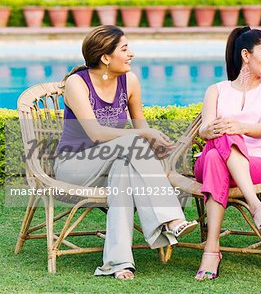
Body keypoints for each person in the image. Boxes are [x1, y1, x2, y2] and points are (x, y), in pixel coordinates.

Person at [53, 25, 197, 280]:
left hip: (113, 165)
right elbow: (96, 133)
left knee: (124, 173)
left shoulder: (130, 81)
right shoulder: (78, 83)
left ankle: (118, 263)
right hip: (74, 166)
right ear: (105, 57)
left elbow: (141, 130)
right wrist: (144, 135)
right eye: (125, 49)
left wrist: (159, 146)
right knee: (133, 145)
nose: (132, 54)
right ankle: (171, 219)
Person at [193, 26, 261, 280]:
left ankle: (211, 250)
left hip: (260, 165)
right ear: (246, 55)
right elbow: (203, 130)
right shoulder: (217, 90)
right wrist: (213, 129)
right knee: (219, 142)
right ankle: (256, 206)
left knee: (215, 154)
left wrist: (237, 127)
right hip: (216, 164)